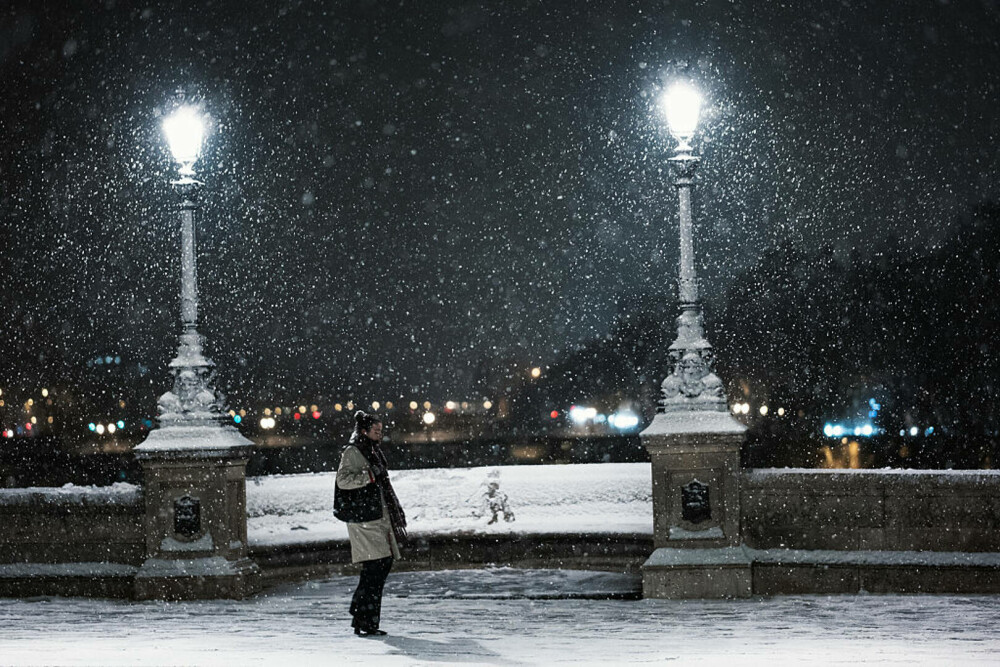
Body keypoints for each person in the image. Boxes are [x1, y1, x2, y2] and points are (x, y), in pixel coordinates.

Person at [335, 411, 407, 637]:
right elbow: (343, 480)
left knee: (378, 567)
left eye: (381, 431)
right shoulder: (353, 451)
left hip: (376, 516)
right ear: (364, 431)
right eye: (376, 430)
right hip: (365, 519)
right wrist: (369, 476)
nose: (380, 434)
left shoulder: (371, 450)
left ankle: (363, 617)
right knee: (376, 567)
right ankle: (364, 618)